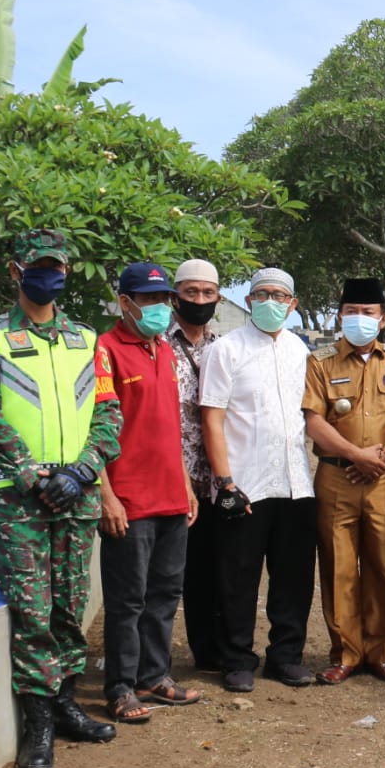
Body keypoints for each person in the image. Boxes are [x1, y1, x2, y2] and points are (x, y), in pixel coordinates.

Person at [0, 228, 120, 768]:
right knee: (32, 613)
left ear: (66, 274)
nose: (47, 275)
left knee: (69, 607)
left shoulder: (86, 340)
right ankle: (39, 724)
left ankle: (66, 703)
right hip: (21, 500)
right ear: (16, 271)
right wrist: (33, 475)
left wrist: (82, 471)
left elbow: (108, 413)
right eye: (37, 266)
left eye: (56, 267)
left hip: (75, 496)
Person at [303, 278, 385, 685]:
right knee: (338, 566)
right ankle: (345, 652)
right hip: (336, 476)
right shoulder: (320, 363)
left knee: (380, 565)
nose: (359, 319)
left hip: (383, 478)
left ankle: (378, 651)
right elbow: (313, 419)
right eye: (351, 311)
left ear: (383, 318)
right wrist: (356, 455)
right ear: (340, 316)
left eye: (368, 312)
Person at [199, 267, 317, 693]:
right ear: (248, 301)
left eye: (280, 295)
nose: (271, 301)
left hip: (295, 483)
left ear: (293, 304)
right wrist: (224, 481)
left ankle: (286, 656)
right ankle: (237, 659)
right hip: (243, 483)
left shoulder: (301, 352)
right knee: (237, 576)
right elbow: (211, 418)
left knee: (294, 576)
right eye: (262, 294)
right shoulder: (225, 351)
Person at [95, 262, 204, 723]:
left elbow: (170, 427)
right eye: (150, 300)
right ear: (125, 303)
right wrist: (106, 495)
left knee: (164, 593)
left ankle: (154, 675)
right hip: (129, 500)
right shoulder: (105, 351)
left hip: (171, 498)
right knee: (127, 600)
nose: (161, 308)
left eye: (165, 300)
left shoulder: (164, 350)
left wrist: (185, 484)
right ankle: (120, 687)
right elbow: (92, 429)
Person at [168, 258, 224, 672]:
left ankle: (209, 652)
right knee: (170, 575)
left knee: (212, 569)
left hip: (217, 478)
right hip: (172, 478)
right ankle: (151, 661)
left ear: (218, 298)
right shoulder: (159, 346)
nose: (199, 300)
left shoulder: (224, 347)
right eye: (191, 292)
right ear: (175, 296)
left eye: (207, 293)